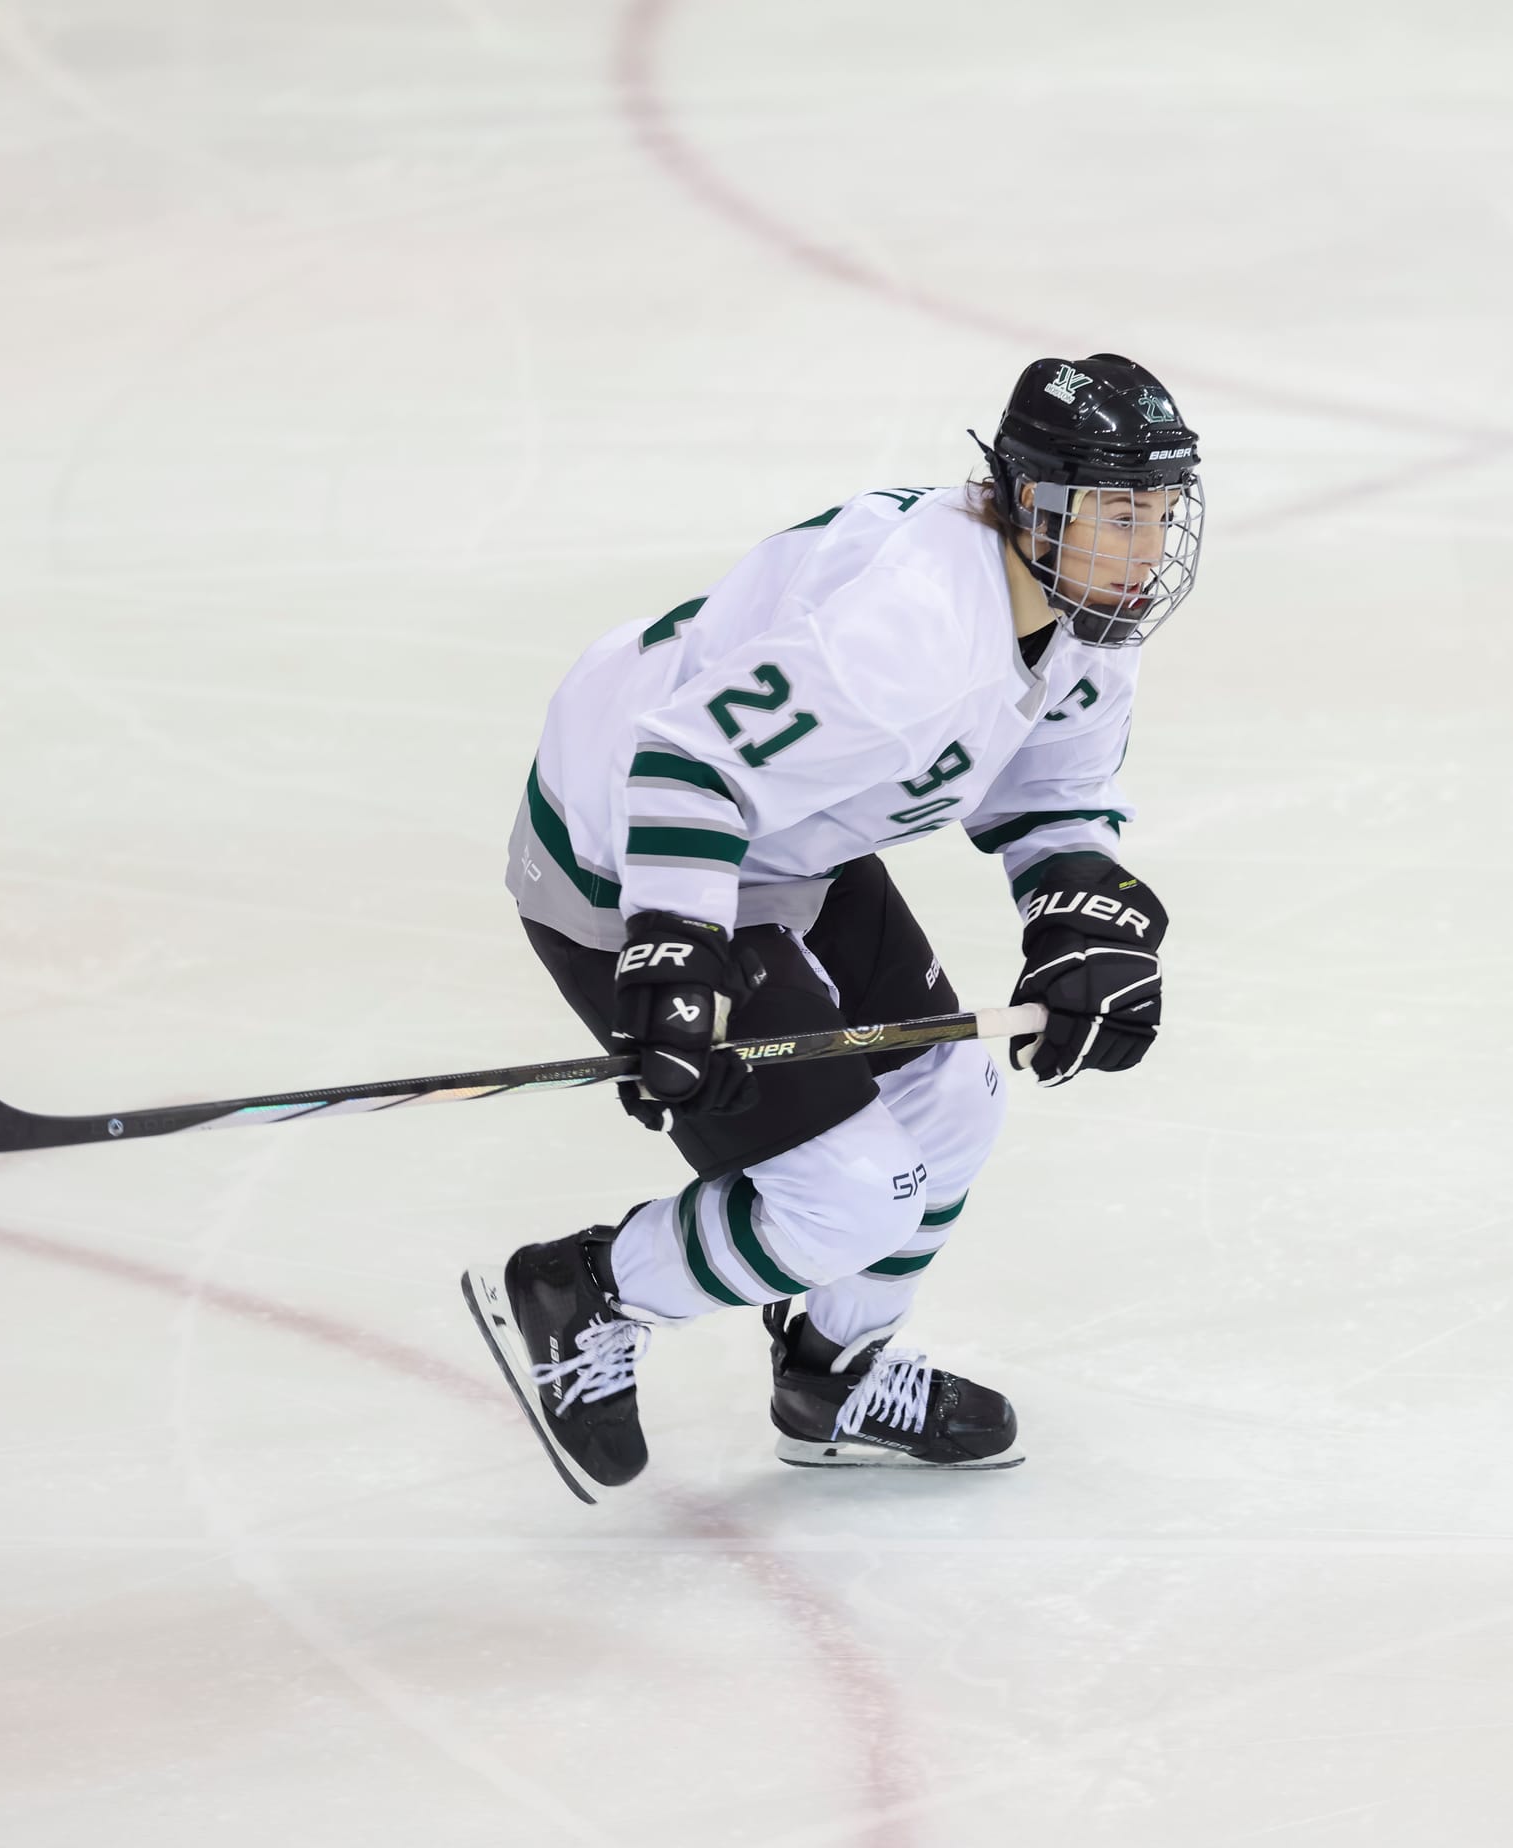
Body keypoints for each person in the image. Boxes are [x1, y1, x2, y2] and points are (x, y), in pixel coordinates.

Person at [461, 354, 1204, 1503]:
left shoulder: (1080, 614)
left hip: (790, 832)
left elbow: (1046, 793)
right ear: (1028, 503)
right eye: (1116, 510)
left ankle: (832, 1382)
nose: (1145, 544)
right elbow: (686, 762)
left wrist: (1076, 918)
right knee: (849, 1199)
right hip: (633, 849)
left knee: (952, 1110)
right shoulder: (905, 625)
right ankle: (588, 1285)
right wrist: (671, 955)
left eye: (1158, 511)